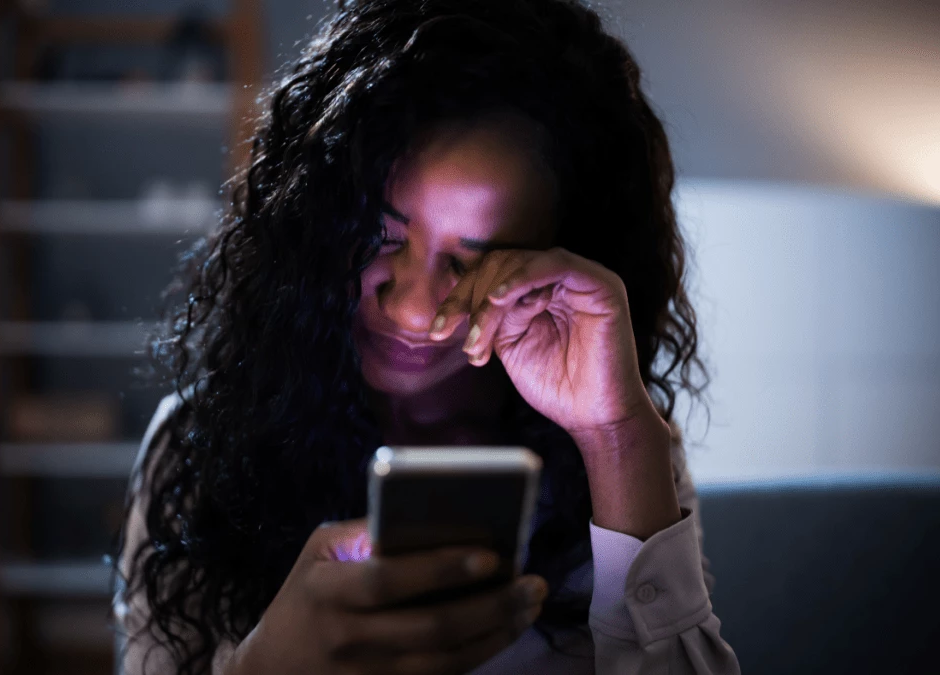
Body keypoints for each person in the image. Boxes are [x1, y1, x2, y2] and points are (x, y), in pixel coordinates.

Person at [113, 0, 741, 673]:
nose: (413, 311)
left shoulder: (626, 451)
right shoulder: (195, 448)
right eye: (379, 237)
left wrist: (616, 435)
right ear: (318, 225)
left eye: (474, 262)